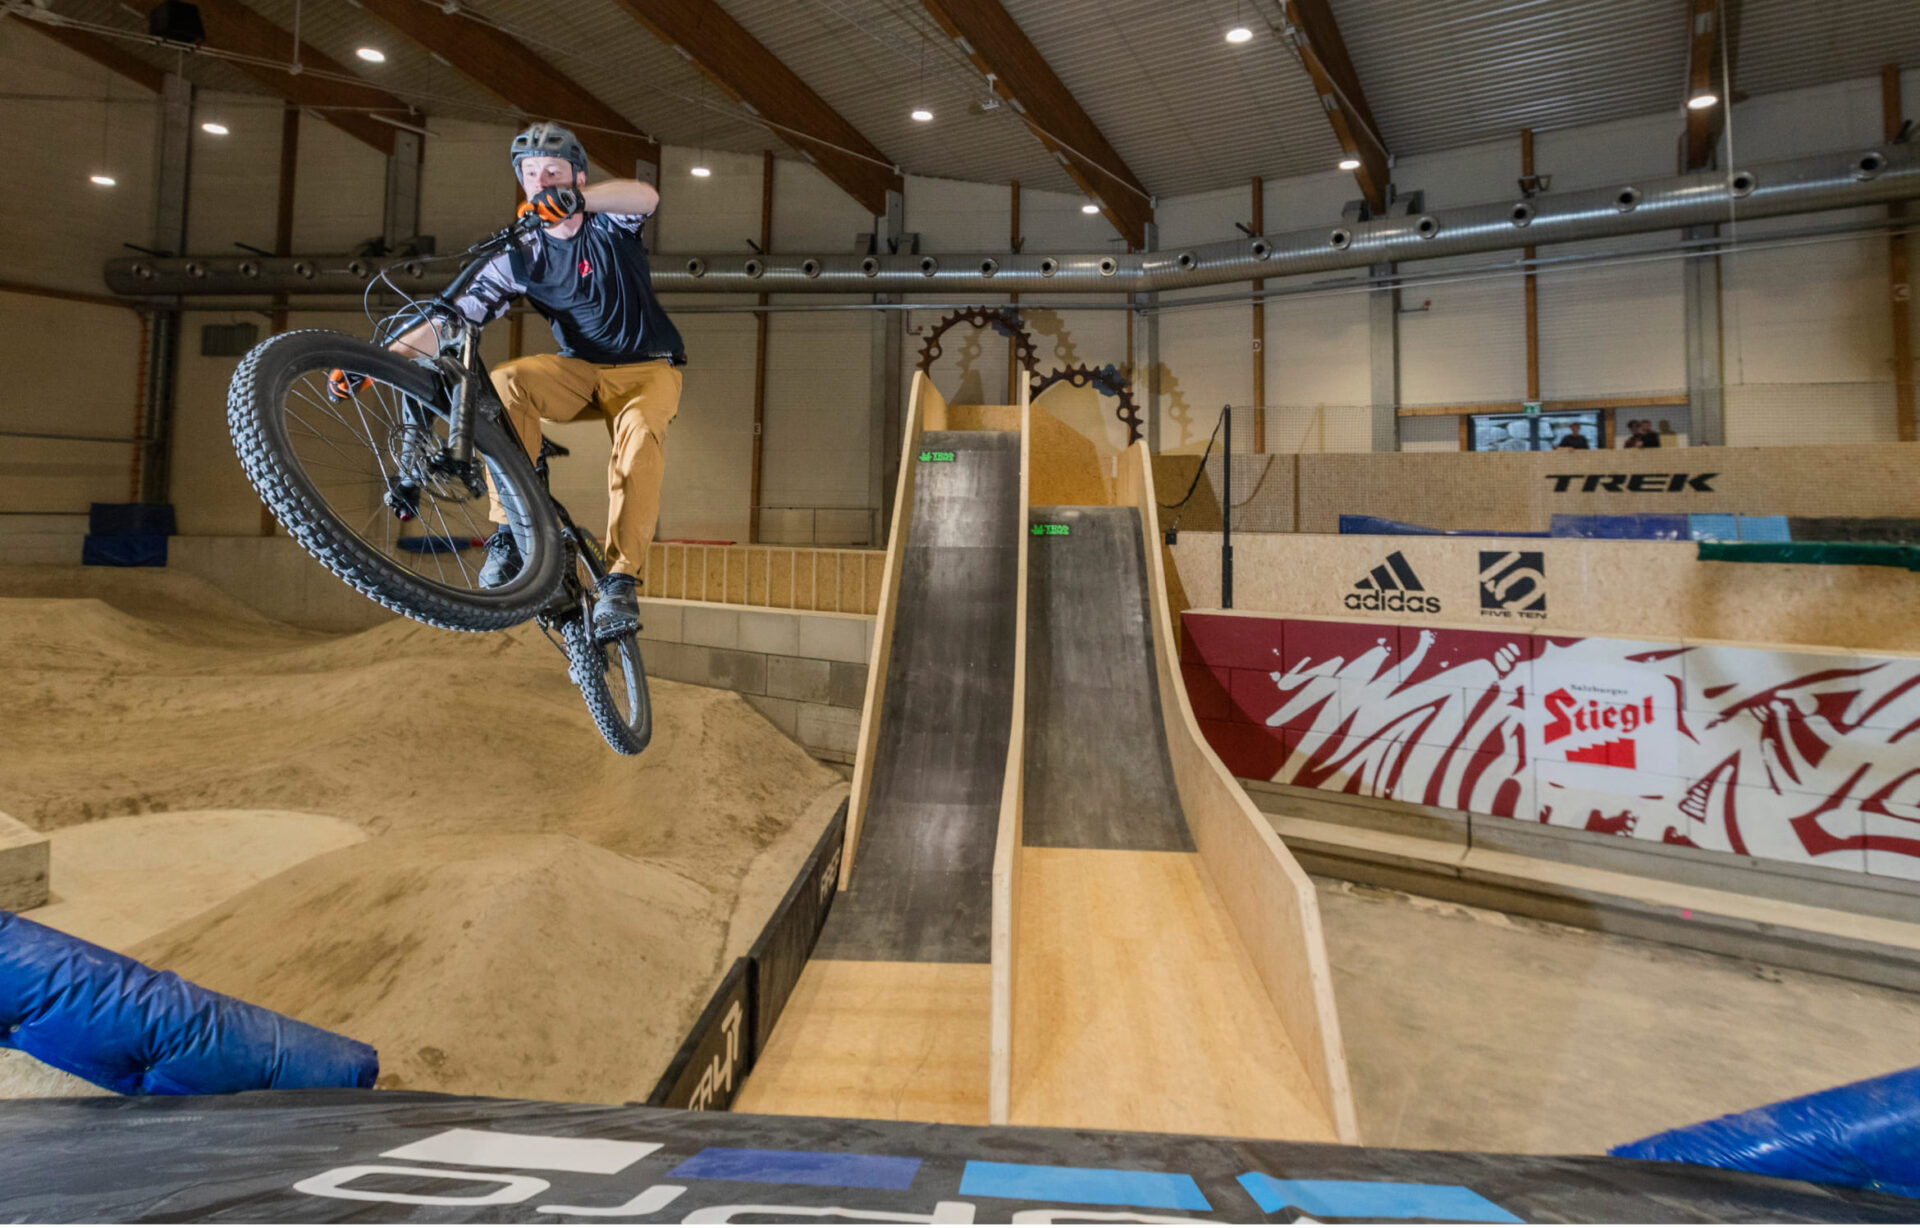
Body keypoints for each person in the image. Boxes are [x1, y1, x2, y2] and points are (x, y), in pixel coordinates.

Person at [380, 122, 686, 638]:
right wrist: (370, 363)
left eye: (554, 172)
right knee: (504, 381)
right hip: (579, 371)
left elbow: (646, 195)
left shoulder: (608, 223)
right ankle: (509, 532)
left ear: (576, 177)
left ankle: (620, 581)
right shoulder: (521, 254)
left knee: (637, 443)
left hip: (647, 370)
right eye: (532, 174)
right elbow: (450, 318)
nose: (541, 181)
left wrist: (579, 201)